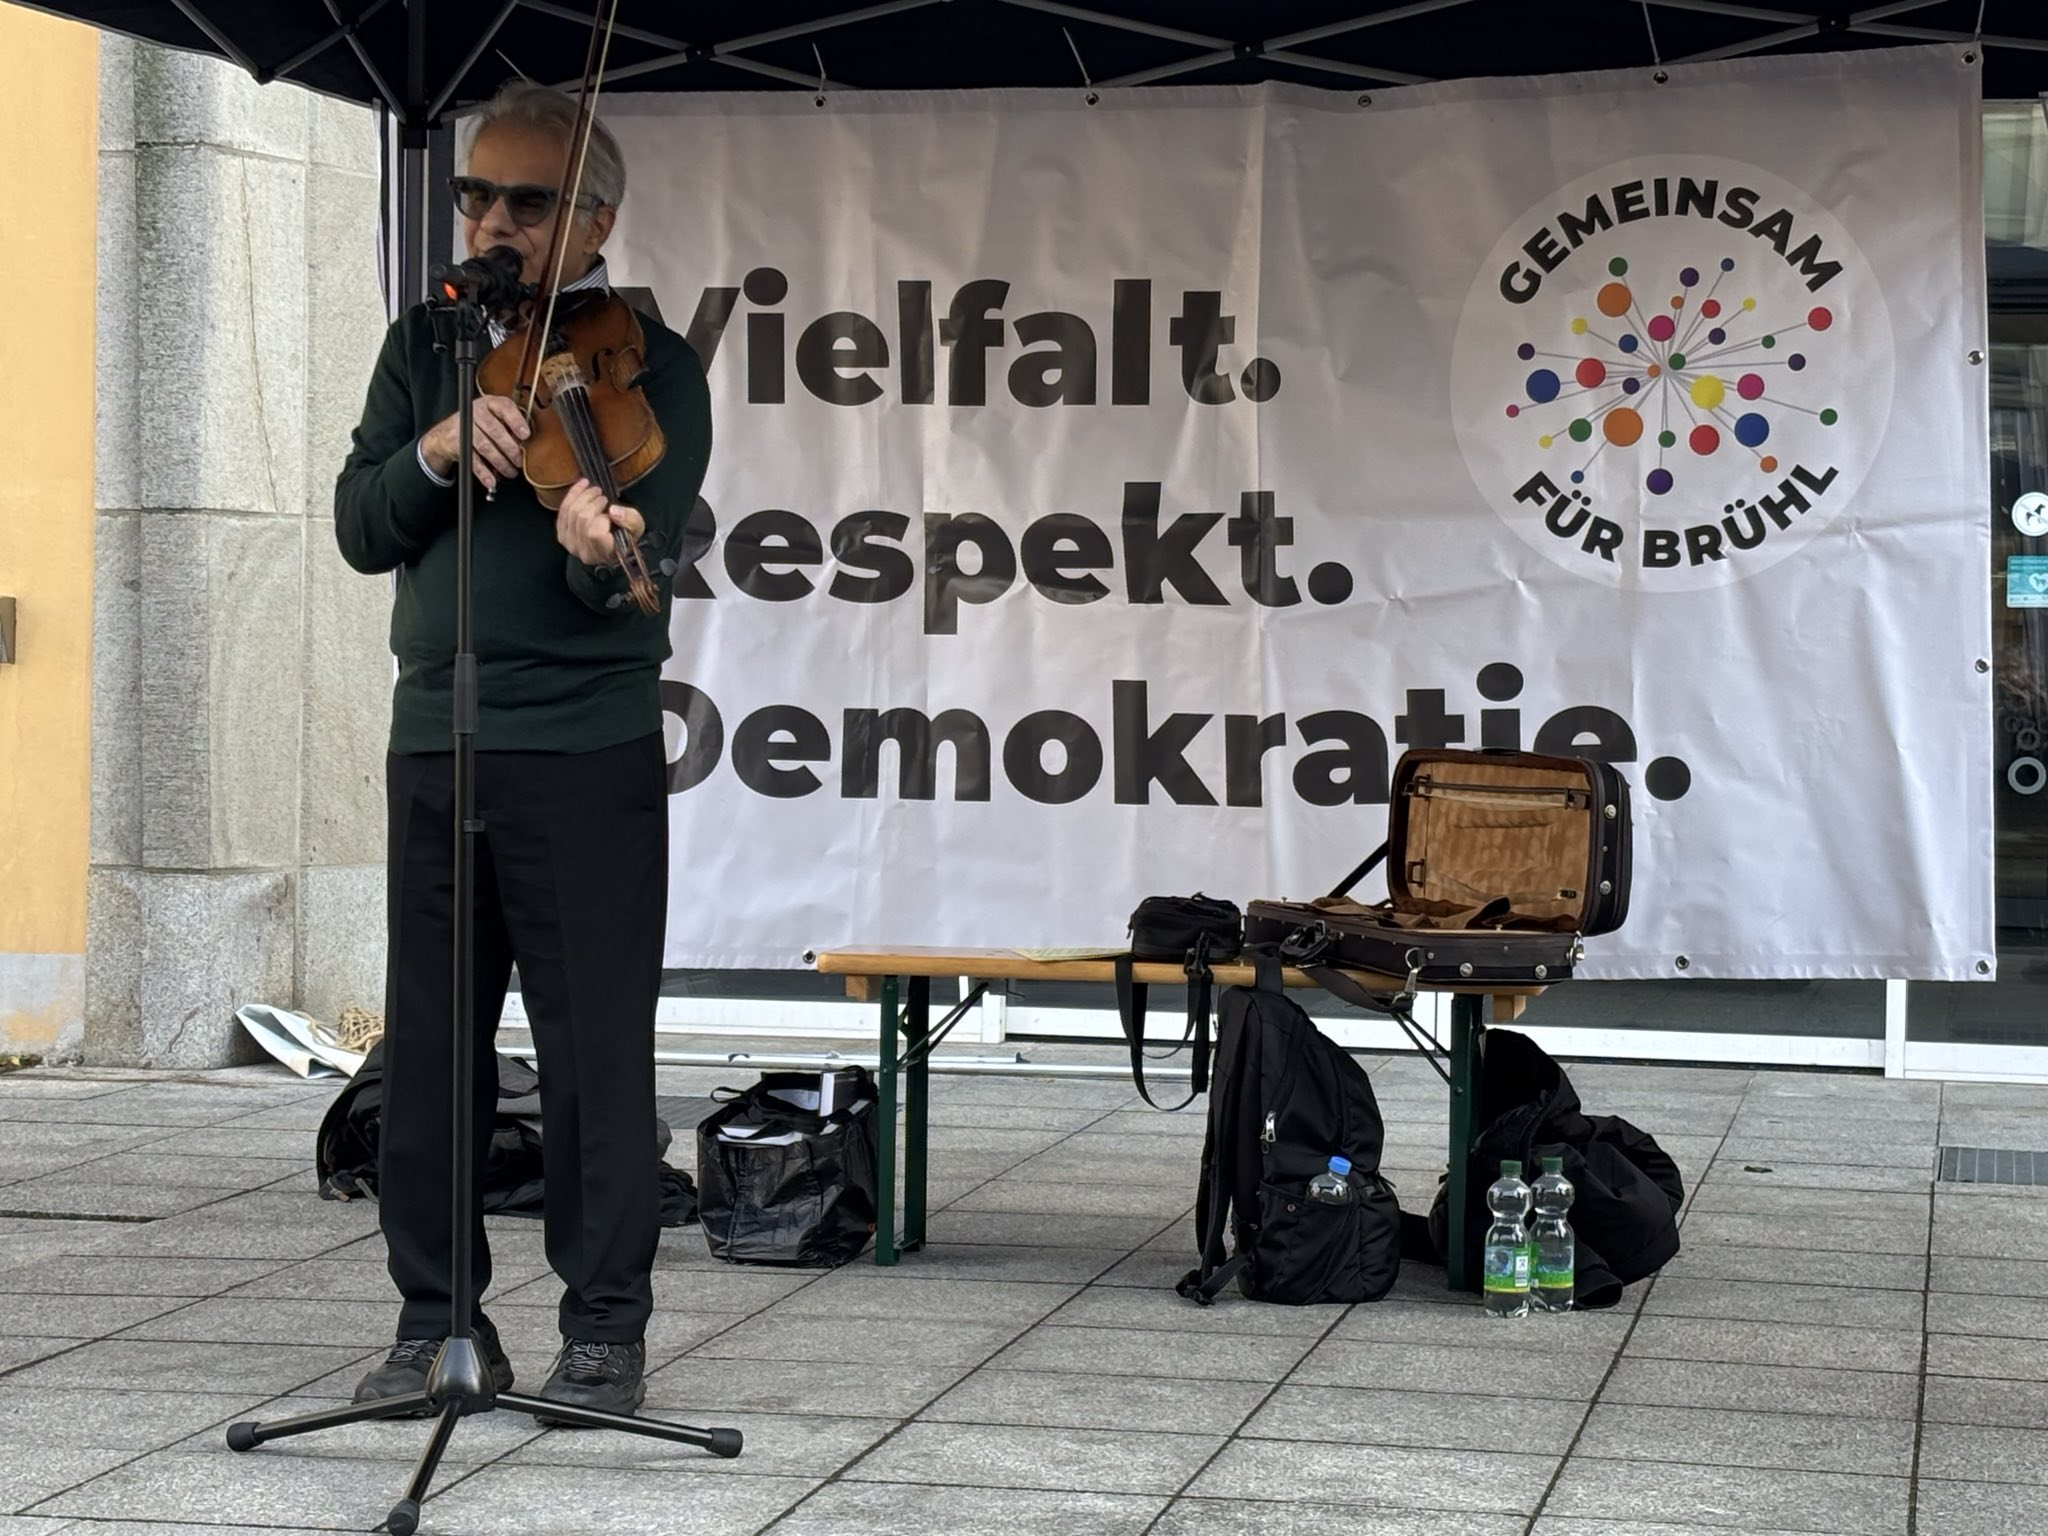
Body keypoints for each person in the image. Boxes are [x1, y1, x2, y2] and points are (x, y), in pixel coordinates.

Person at [333, 79, 709, 1423]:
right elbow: (360, 523)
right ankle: (437, 1325)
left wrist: (598, 554)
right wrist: (436, 450)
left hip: (582, 750)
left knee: (594, 1052)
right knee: (431, 1053)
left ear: (594, 215)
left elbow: (640, 567)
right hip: (436, 738)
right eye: (475, 195)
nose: (491, 220)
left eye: (526, 202)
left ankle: (603, 1335)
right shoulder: (423, 347)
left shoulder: (651, 364)